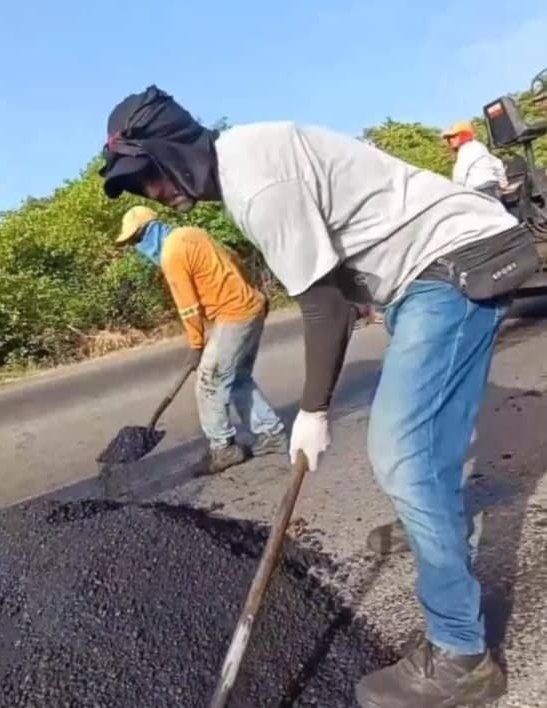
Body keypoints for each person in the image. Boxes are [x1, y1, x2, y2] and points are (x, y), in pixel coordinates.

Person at [97, 85, 537, 707]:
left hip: (453, 262)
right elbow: (337, 276)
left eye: (148, 177)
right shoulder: (249, 158)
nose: (153, 192)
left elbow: (323, 308)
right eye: (139, 187)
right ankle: (436, 537)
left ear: (171, 148)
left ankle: (462, 656)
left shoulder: (256, 184)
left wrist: (312, 410)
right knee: (421, 458)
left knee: (404, 455)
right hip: (426, 273)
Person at [114, 204, 287, 474]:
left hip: (235, 315)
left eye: (137, 240)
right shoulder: (191, 233)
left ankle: (222, 448)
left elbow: (188, 307)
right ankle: (271, 434)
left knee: (209, 382)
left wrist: (196, 345)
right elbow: (232, 258)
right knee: (238, 377)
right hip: (250, 306)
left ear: (148, 231)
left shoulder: (172, 254)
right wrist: (254, 292)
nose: (137, 246)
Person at [442, 120, 508, 198]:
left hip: (479, 190)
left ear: (463, 134)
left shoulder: (464, 150)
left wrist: (455, 194)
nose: (451, 140)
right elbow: (497, 163)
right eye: (449, 138)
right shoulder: (479, 146)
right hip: (493, 187)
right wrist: (503, 183)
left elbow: (459, 176)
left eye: (453, 136)